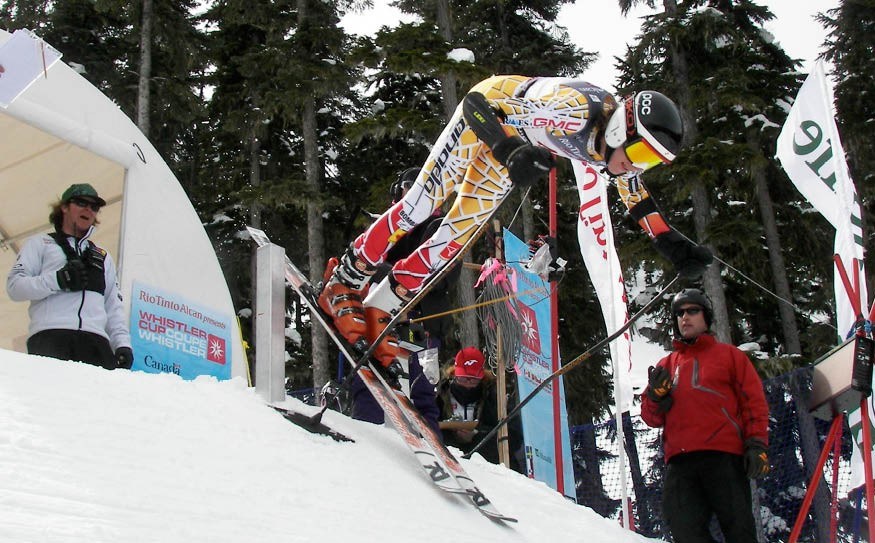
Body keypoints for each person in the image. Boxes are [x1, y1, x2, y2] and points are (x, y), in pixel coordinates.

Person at [318, 75, 713, 384]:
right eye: (640, 153)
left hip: (512, 143)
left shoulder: (613, 151)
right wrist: (511, 151)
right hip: (487, 120)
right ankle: (345, 280)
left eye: (651, 161)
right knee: (420, 206)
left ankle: (379, 308)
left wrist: (670, 242)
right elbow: (477, 105)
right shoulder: (574, 112)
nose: (637, 165)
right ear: (619, 131)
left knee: (450, 241)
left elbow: (634, 193)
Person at [641, 288, 770, 543]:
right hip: (681, 461)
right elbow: (650, 418)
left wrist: (757, 444)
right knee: (683, 530)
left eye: (692, 311)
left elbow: (753, 403)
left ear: (706, 317)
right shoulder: (667, 364)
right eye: (679, 313)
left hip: (724, 456)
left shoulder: (730, 356)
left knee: (739, 530)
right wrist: (655, 397)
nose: (684, 317)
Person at [6, 183, 133, 371]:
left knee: (100, 399)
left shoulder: (102, 255)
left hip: (96, 342)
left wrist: (122, 344)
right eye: (81, 203)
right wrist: (57, 280)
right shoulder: (41, 243)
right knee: (51, 397)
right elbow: (14, 287)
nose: (88, 210)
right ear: (64, 207)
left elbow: (113, 306)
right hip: (51, 336)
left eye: (94, 207)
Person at [436, 346, 524, 473]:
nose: (467, 384)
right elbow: (427, 425)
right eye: (463, 378)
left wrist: (478, 434)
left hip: (487, 465)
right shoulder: (440, 394)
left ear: (482, 377)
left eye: (473, 380)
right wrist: (451, 433)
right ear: (454, 374)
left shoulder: (495, 397)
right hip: (448, 460)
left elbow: (514, 438)